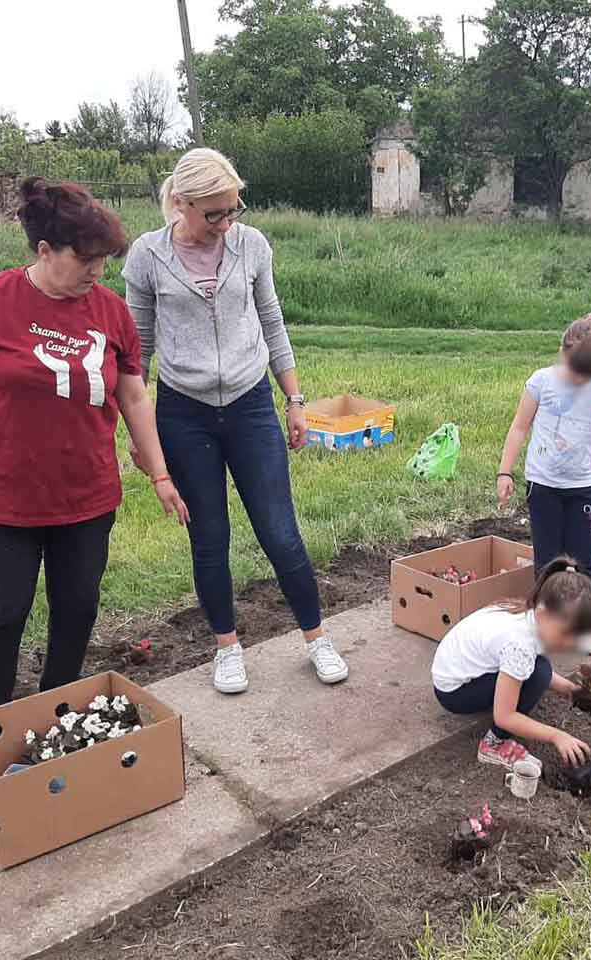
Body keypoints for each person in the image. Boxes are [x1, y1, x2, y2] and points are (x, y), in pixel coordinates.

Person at [0, 178, 189, 712]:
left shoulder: (112, 312)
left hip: (87, 493)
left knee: (78, 607)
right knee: (3, 612)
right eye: (85, 259)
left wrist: (161, 475)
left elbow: (134, 398)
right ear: (45, 251)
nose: (98, 271)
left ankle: (55, 711)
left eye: (104, 259)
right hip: (5, 494)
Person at [122, 147, 345, 695]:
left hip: (250, 406)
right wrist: (138, 433)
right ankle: (227, 646)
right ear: (183, 203)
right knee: (210, 538)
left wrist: (293, 399)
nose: (225, 223)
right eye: (214, 213)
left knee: (281, 533)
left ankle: (316, 638)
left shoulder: (252, 245)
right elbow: (137, 350)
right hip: (184, 414)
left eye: (233, 211)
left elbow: (272, 320)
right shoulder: (148, 257)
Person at [497, 315, 591, 647]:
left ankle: (584, 627)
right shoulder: (541, 382)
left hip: (582, 487)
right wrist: (505, 470)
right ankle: (544, 622)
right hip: (542, 485)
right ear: (562, 351)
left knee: (586, 560)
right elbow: (519, 426)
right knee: (547, 560)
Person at [431, 558, 591, 771]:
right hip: (454, 693)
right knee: (538, 673)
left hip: (458, 671)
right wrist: (558, 736)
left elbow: (530, 664)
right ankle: (493, 744)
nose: (570, 643)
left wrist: (571, 690)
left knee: (539, 668)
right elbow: (505, 717)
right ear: (543, 614)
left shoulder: (528, 615)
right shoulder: (519, 644)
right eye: (567, 634)